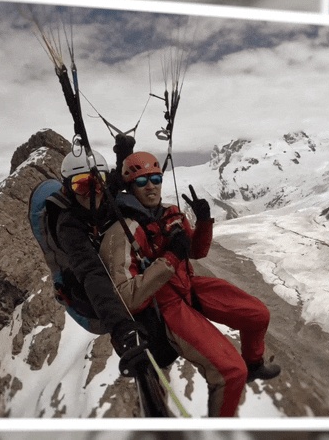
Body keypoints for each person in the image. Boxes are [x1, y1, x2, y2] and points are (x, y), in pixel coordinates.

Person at [99, 151, 281, 417]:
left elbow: (197, 251)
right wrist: (171, 256)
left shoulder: (170, 214)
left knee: (258, 314)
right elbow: (127, 297)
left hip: (188, 285)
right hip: (166, 305)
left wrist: (204, 222)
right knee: (231, 372)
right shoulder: (123, 231)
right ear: (129, 186)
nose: (150, 186)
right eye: (141, 181)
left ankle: (254, 365)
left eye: (155, 179)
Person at [51, 136, 158, 376]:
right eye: (81, 185)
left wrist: (124, 152)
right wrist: (122, 329)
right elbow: (91, 272)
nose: (92, 192)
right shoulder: (68, 226)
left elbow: (115, 180)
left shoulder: (105, 193)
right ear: (67, 188)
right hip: (90, 291)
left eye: (97, 182)